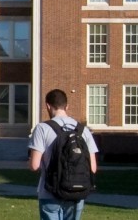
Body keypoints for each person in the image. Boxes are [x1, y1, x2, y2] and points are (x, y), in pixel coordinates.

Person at [28, 88, 99, 220]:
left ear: (48, 106)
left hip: (50, 192)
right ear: (67, 106)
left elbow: (34, 165)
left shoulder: (42, 128)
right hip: (77, 192)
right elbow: (93, 168)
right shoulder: (83, 130)